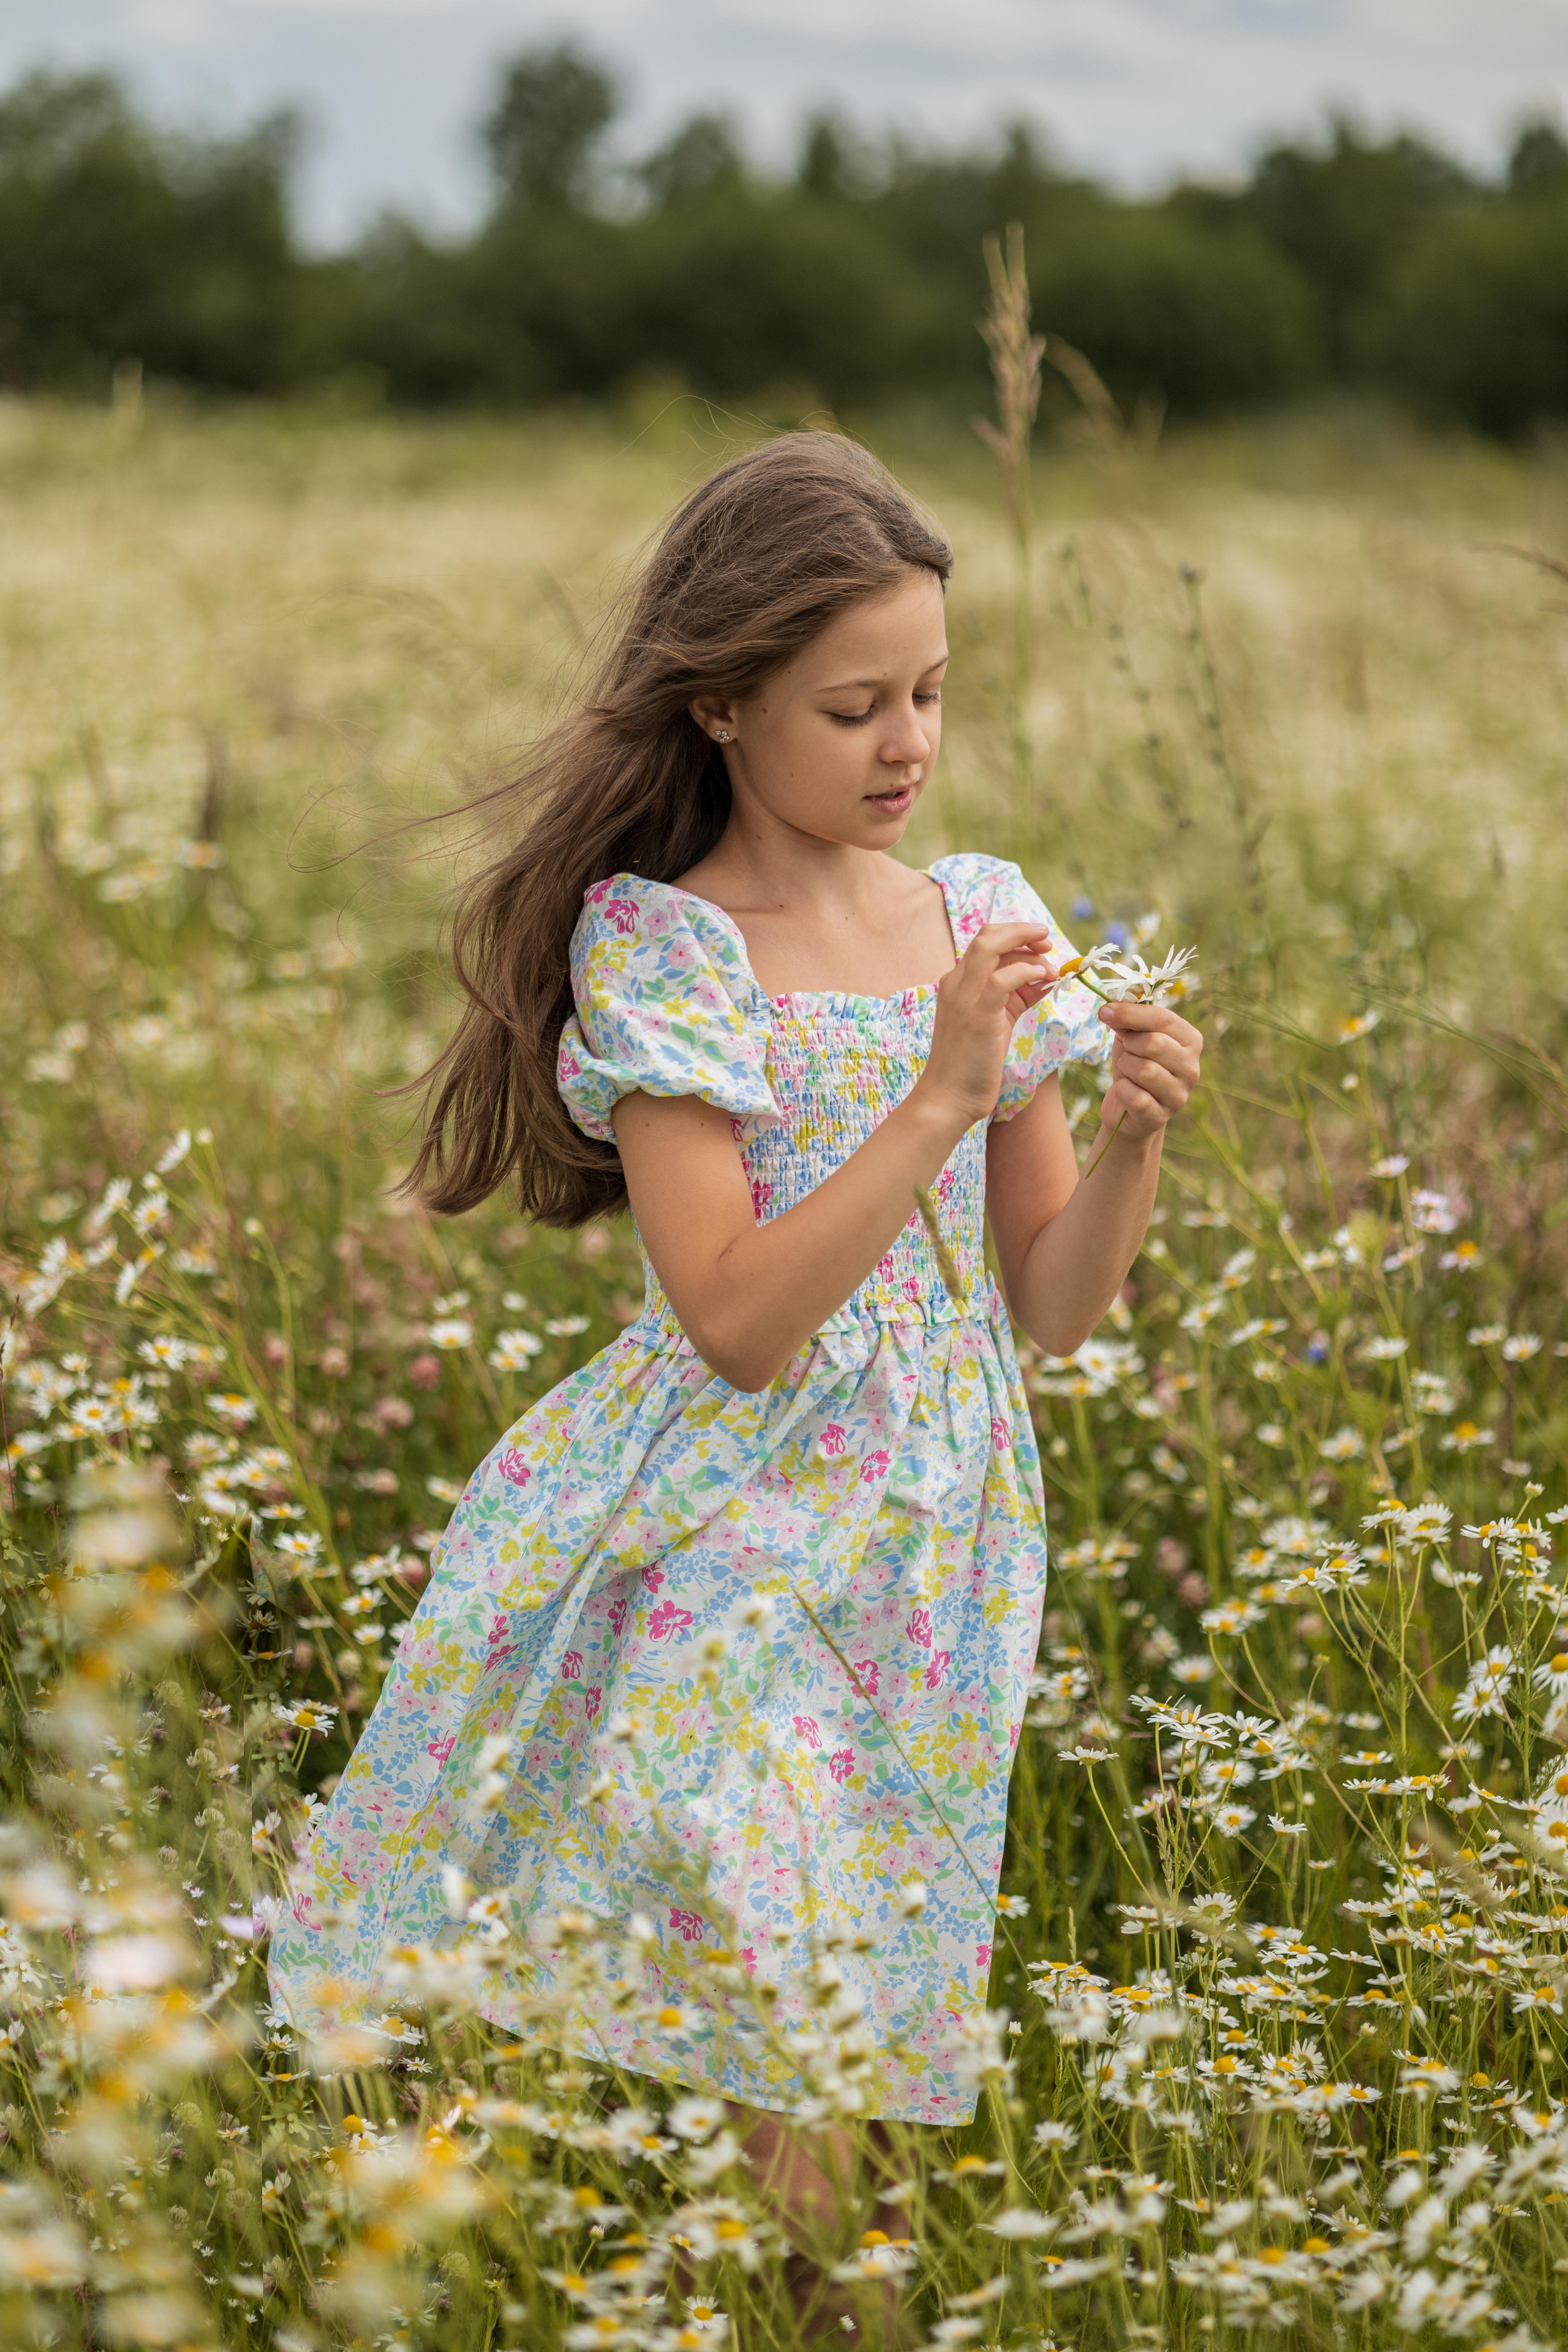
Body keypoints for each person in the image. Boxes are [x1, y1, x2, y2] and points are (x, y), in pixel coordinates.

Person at [268, 431, 1202, 2327]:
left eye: (931, 692)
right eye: (854, 705)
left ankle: (785, 2300)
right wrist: (944, 1085)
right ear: (720, 704)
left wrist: (1126, 1144)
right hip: (722, 1516)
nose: (908, 744)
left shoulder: (978, 917)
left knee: (839, 1980)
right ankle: (564, 2253)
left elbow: (1048, 1311)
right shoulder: (668, 945)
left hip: (939, 1533)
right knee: (768, 1935)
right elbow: (736, 1316)